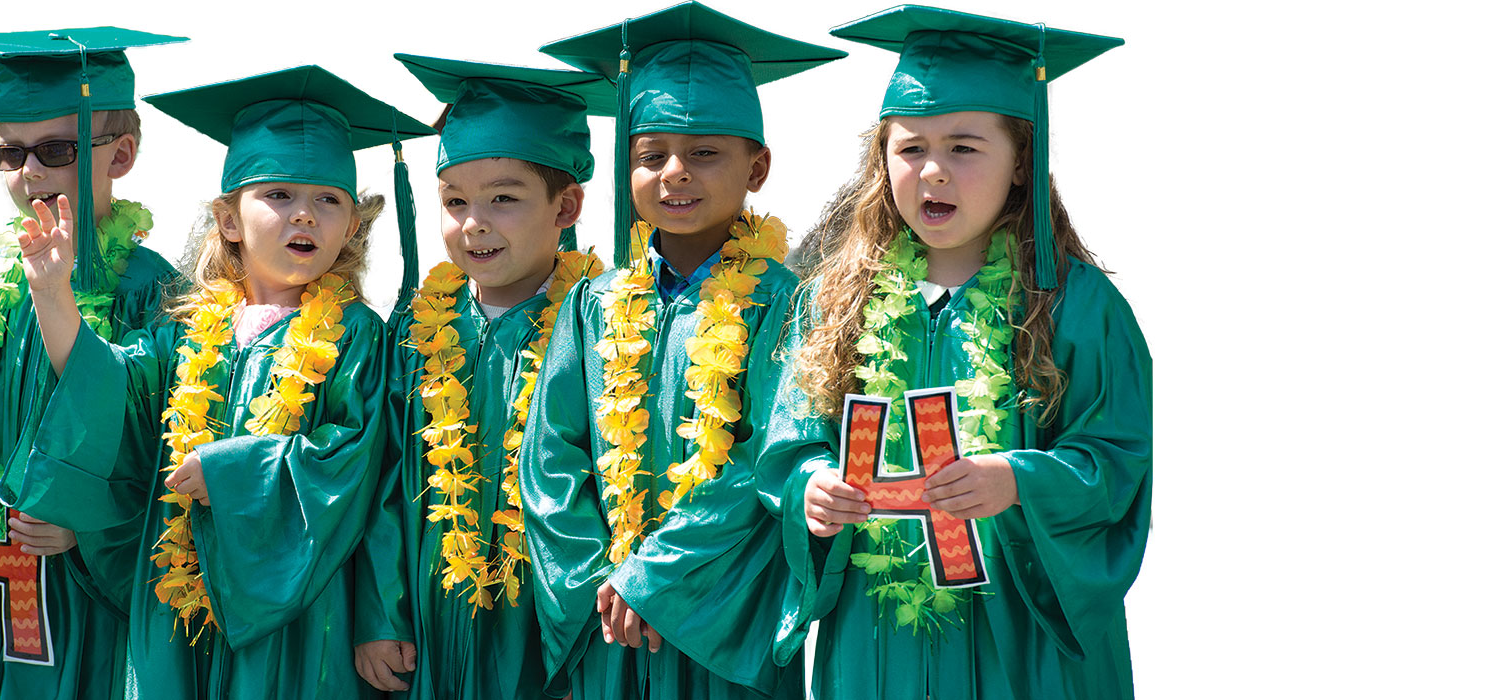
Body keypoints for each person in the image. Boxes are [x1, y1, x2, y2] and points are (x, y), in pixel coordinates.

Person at [0, 65, 432, 699]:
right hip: (177, 604)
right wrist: (51, 292)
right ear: (229, 221)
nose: (304, 215)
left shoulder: (356, 335)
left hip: (302, 614)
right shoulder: (185, 332)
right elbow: (108, 386)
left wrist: (233, 472)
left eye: (328, 200)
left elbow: (359, 462)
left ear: (351, 228)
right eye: (278, 196)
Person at [766, 6, 1153, 699]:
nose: (933, 172)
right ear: (881, 161)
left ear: (1020, 164)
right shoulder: (835, 300)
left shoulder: (1077, 305)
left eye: (965, 148)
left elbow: (1117, 461)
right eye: (910, 148)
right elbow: (793, 444)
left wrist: (1018, 480)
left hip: (1018, 633)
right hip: (878, 629)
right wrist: (810, 487)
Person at [516, 2, 844, 697]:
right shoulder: (592, 302)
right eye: (650, 154)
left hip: (723, 616)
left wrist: (657, 580)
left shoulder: (789, 301)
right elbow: (550, 456)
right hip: (607, 623)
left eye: (704, 153)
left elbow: (773, 454)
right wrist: (597, 586)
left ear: (756, 168)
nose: (675, 173)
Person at [0, 26, 184, 700]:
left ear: (123, 154)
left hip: (82, 592)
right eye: (8, 152)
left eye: (55, 149)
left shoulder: (155, 291)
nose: (30, 173)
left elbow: (166, 447)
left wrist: (91, 520)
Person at [350, 54, 610, 699]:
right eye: (455, 201)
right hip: (432, 618)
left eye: (504, 199)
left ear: (566, 206)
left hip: (553, 616)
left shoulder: (606, 323)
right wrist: (380, 614)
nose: (475, 223)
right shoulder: (412, 334)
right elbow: (379, 483)